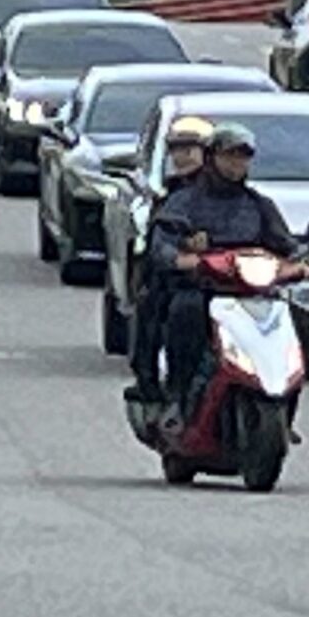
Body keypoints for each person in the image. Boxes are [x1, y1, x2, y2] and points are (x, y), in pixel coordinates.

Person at [148, 121, 302, 415]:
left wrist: (300, 263)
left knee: (299, 323)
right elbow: (163, 242)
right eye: (230, 155)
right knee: (185, 312)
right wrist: (180, 258)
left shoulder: (259, 205)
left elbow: (285, 243)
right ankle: (178, 399)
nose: (237, 163)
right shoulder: (184, 201)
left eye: (243, 156)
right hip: (203, 290)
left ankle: (284, 406)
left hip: (252, 295)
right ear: (211, 157)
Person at [127, 114, 215, 402]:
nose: (183, 156)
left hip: (233, 282)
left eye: (190, 149)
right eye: (177, 150)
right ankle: (163, 385)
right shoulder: (172, 196)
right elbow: (160, 239)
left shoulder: (239, 195)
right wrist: (178, 251)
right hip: (185, 281)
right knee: (165, 305)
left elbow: (266, 232)